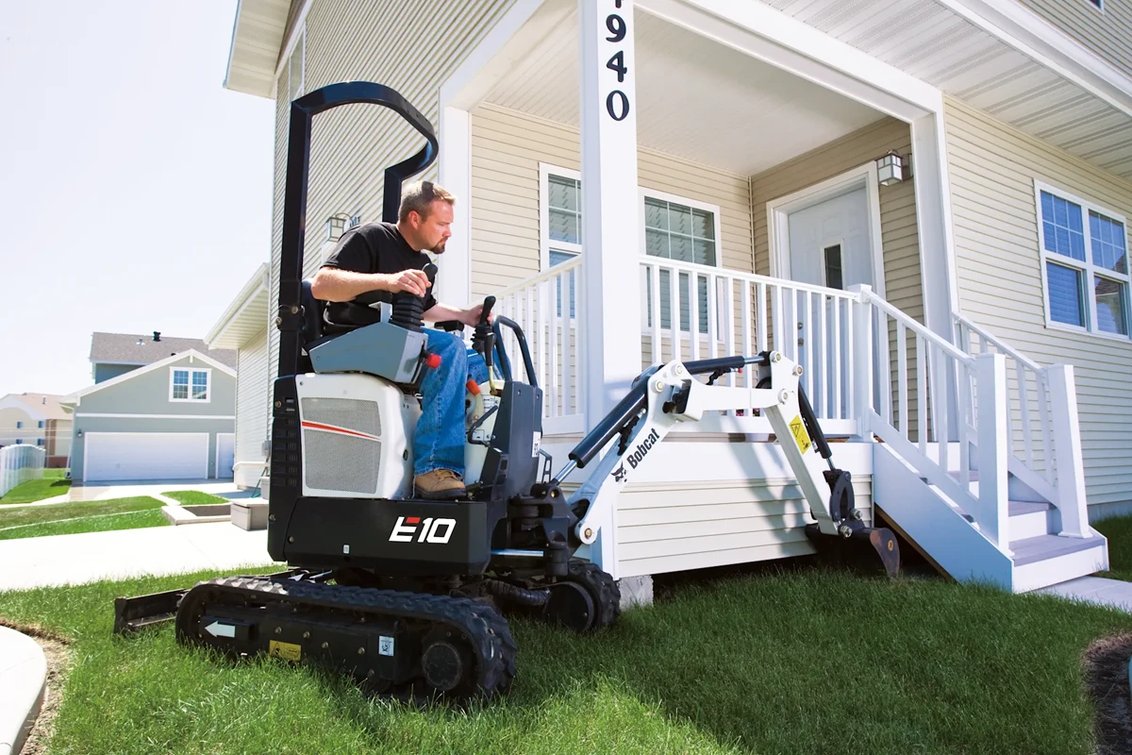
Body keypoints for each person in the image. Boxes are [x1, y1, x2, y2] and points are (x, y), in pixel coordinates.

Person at [310, 180, 485, 499]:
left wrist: (464, 315)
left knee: (476, 363)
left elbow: (428, 308)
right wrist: (389, 281)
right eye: (443, 224)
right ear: (416, 218)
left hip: (392, 343)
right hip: (352, 339)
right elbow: (322, 284)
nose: (449, 232)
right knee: (448, 350)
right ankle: (433, 468)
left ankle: (477, 461)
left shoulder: (419, 261)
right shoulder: (371, 236)